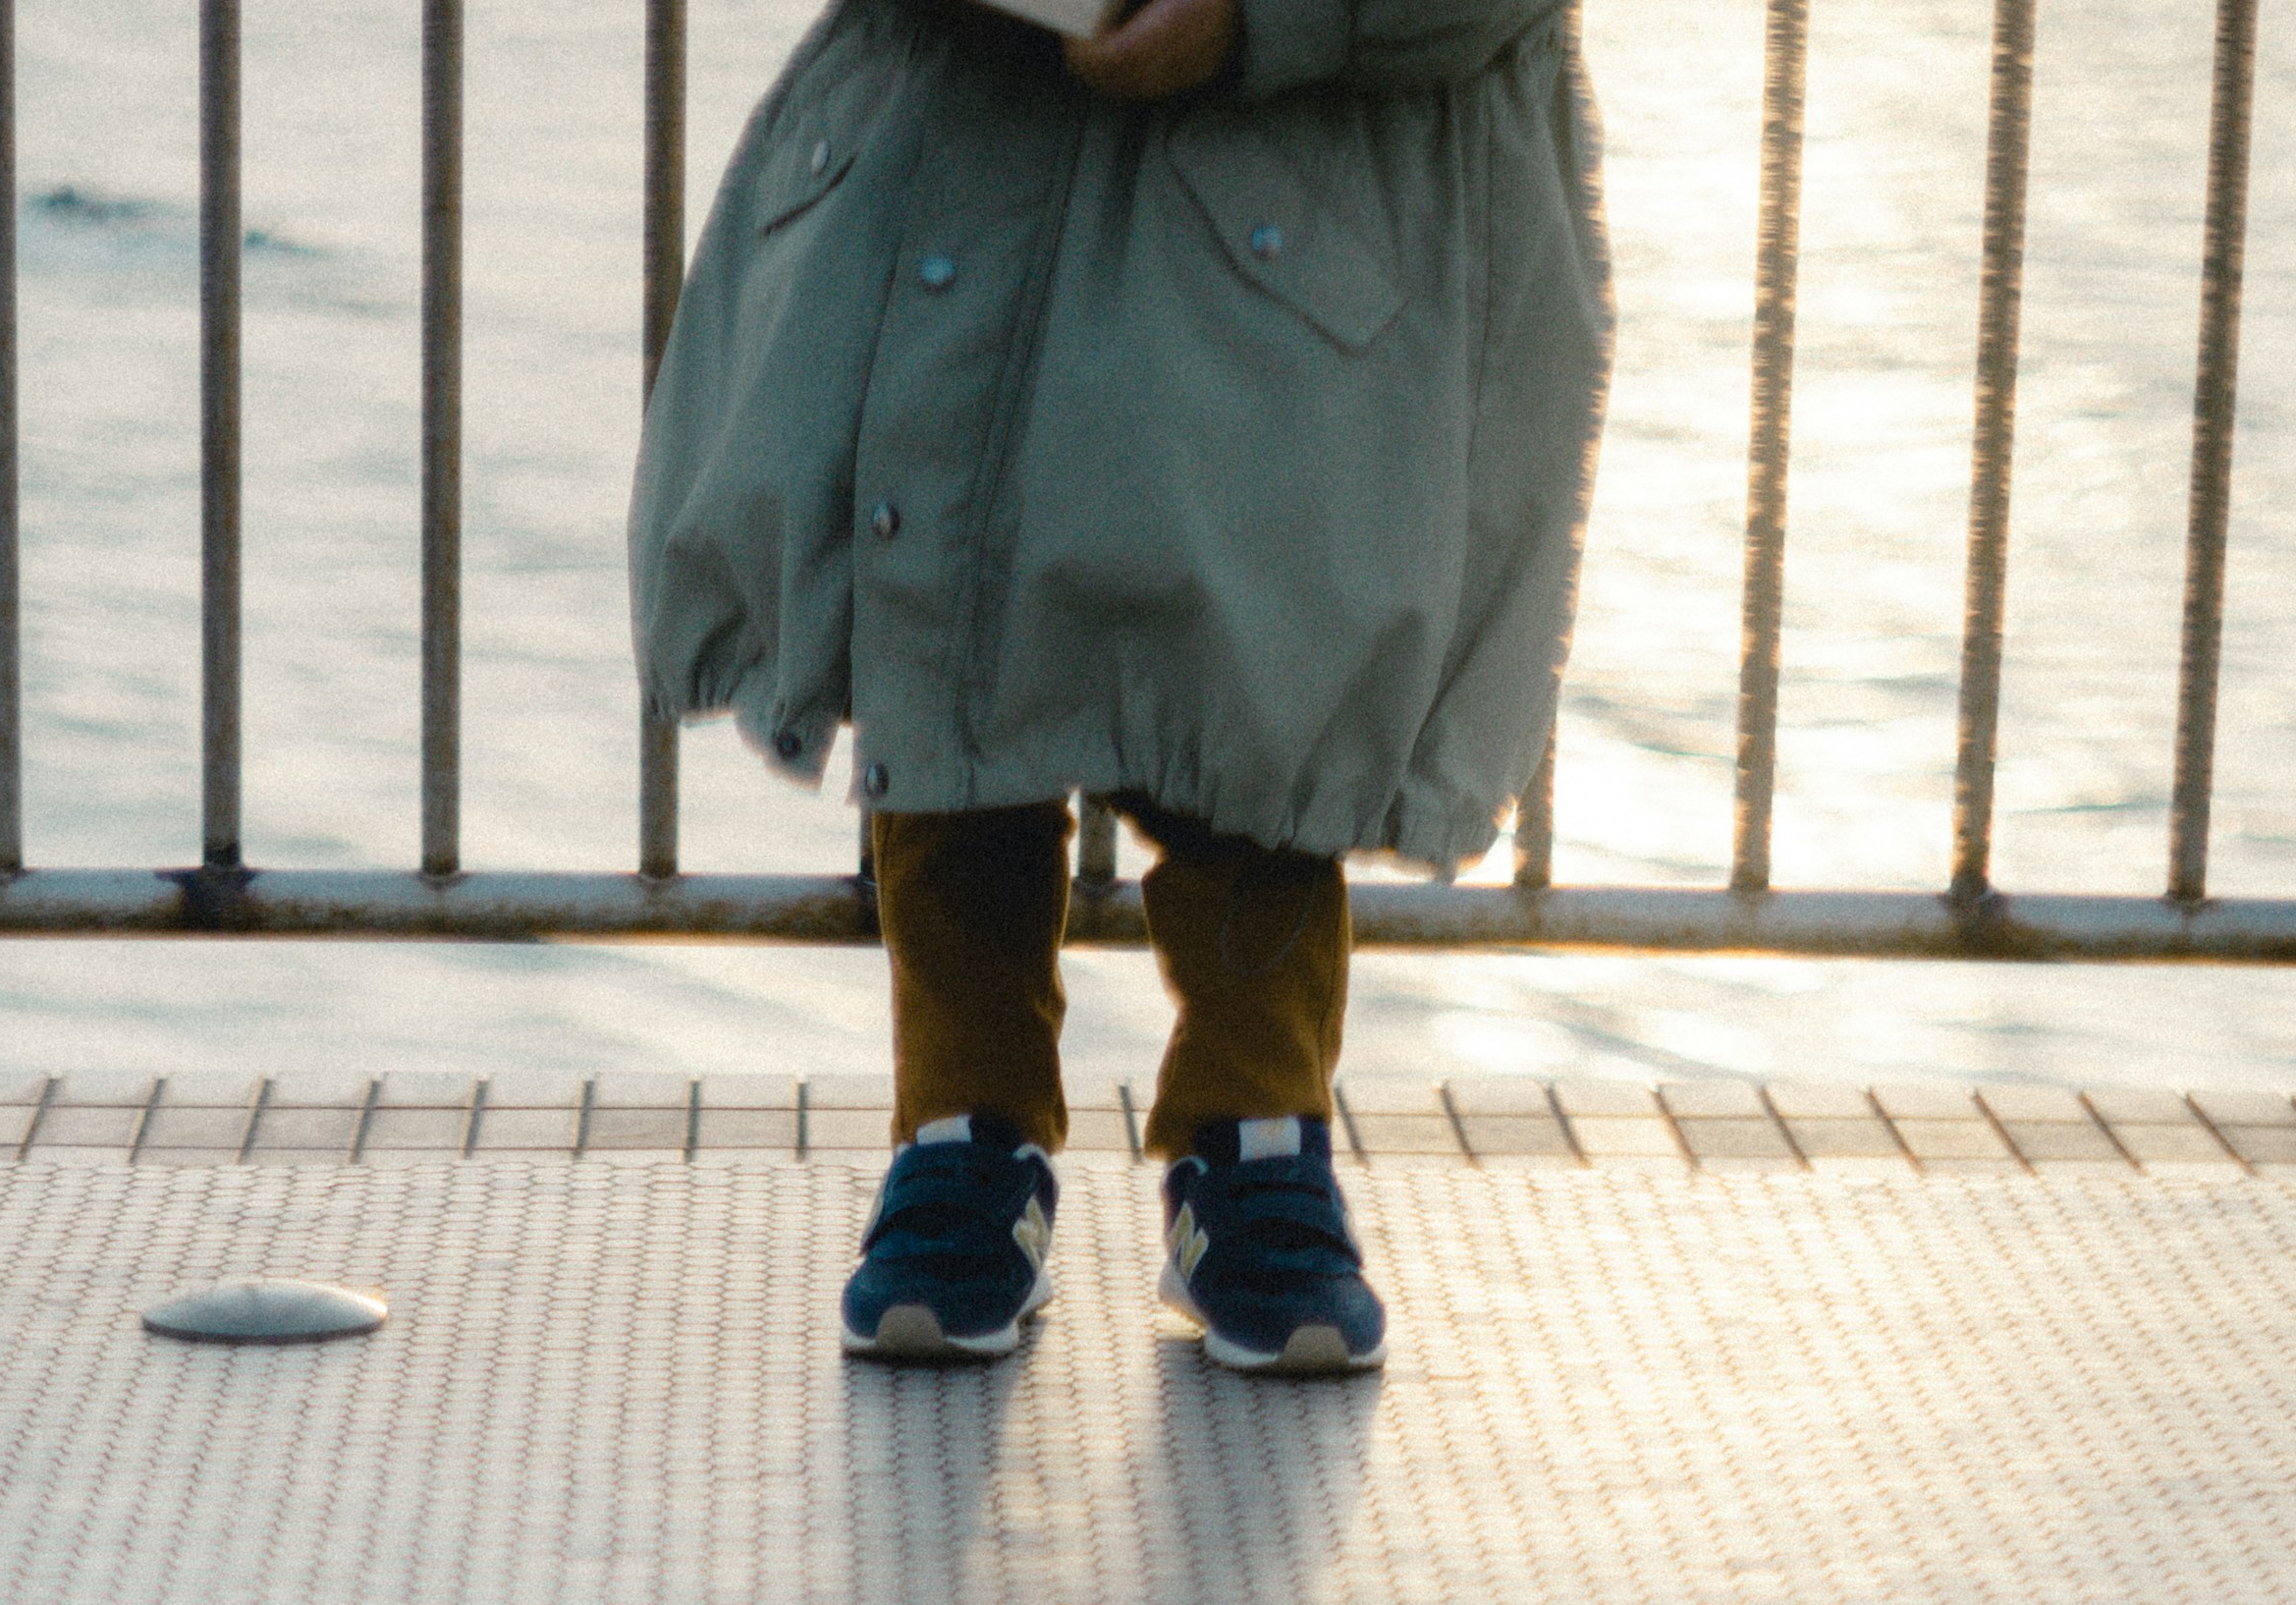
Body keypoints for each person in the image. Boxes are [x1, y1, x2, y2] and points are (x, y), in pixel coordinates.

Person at [631, 0, 1610, 1373]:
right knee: (950, 609)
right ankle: (966, 1124)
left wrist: (1265, 21)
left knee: (1273, 639)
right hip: (979, 154)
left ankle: (1256, 1129)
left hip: (1304, 191)